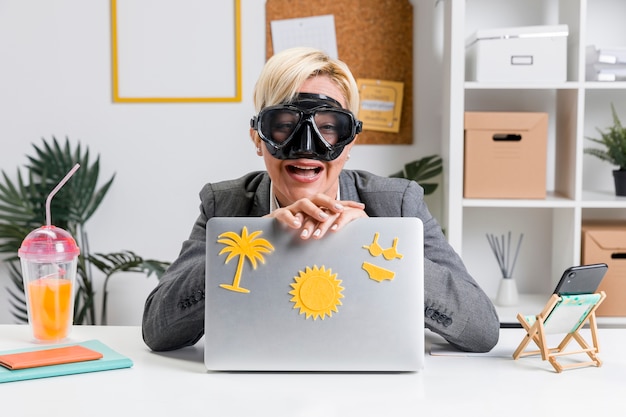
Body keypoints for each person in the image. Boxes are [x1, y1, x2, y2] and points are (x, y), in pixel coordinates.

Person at [142, 47, 500, 353]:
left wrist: (378, 250)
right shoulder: (226, 205)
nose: (307, 147)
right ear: (258, 138)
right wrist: (255, 242)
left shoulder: (397, 204)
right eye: (283, 124)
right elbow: (158, 331)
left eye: (329, 127)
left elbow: (482, 329)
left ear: (350, 142)